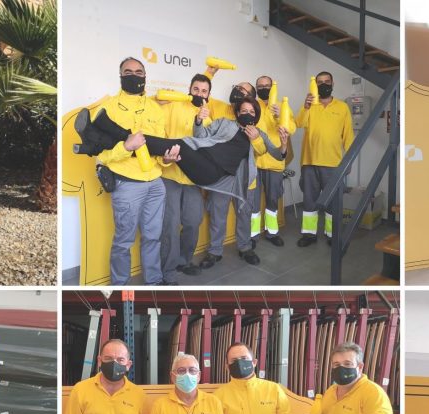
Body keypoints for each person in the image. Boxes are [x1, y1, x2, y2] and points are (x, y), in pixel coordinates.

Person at [76, 96, 288, 270]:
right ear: (237, 112)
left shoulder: (258, 134)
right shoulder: (225, 123)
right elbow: (201, 134)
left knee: (177, 145)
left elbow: (276, 155)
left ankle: (102, 136)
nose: (247, 114)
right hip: (202, 160)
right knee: (175, 146)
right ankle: (99, 140)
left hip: (218, 175)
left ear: (256, 115)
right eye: (244, 110)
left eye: (251, 111)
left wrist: (276, 141)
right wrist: (198, 121)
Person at [94, 57, 167, 285]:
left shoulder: (156, 108)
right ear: (120, 76)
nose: (134, 75)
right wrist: (126, 147)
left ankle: (153, 282)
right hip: (127, 185)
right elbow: (100, 155)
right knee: (124, 241)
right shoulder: (107, 108)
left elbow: (160, 146)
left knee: (153, 237)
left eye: (138, 71)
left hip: (156, 183)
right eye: (128, 72)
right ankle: (119, 287)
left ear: (145, 76)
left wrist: (166, 159)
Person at [159, 74, 212, 281]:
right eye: (196, 89)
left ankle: (184, 260)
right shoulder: (173, 106)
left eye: (204, 91)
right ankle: (168, 271)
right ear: (189, 89)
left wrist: (200, 120)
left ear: (208, 94)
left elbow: (208, 146)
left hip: (192, 179)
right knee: (170, 225)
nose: (199, 93)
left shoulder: (208, 117)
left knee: (192, 221)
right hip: (169, 175)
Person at [297, 71, 355, 247]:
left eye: (326, 81)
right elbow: (298, 123)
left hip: (333, 164)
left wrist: (348, 162)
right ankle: (309, 234)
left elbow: (349, 137)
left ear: (332, 83)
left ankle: (331, 234)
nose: (323, 85)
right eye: (319, 82)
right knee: (309, 201)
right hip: (310, 162)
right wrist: (306, 107)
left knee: (332, 202)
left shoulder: (342, 107)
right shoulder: (309, 105)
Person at [255, 76, 297, 247]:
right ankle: (253, 234)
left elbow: (292, 128)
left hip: (274, 162)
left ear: (273, 87)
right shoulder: (253, 105)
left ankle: (272, 233)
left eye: (267, 85)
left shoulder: (282, 106)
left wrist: (282, 117)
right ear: (256, 88)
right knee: (253, 202)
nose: (264, 88)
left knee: (272, 200)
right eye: (260, 86)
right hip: (255, 162)